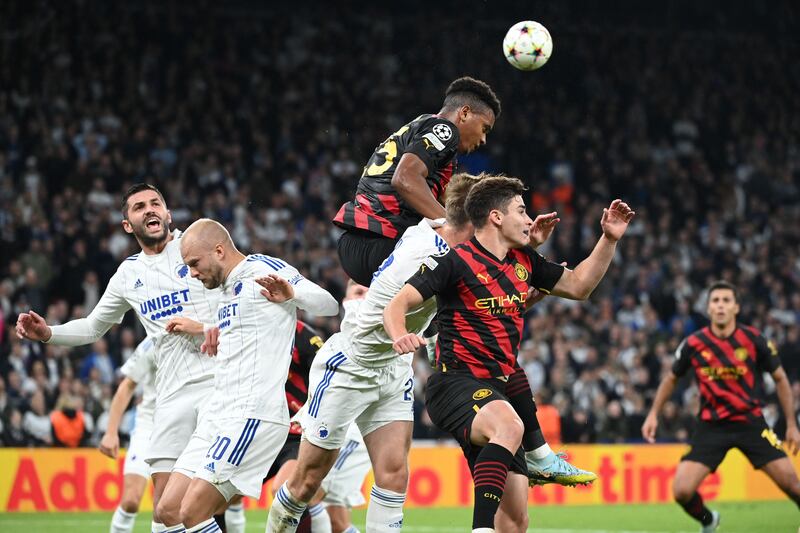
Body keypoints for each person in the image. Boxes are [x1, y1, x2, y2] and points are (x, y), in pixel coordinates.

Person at [384, 176, 634, 533]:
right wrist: (400, 335)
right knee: (510, 424)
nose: (529, 219)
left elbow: (579, 286)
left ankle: (532, 468)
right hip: (453, 384)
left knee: (516, 521)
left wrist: (609, 239)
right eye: (521, 210)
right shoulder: (456, 261)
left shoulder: (524, 262)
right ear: (496, 217)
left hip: (498, 390)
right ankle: (481, 527)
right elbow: (398, 303)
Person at [16, 183, 217, 531]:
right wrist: (49, 333)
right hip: (170, 398)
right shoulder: (128, 275)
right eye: (139, 207)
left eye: (156, 203)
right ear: (128, 225)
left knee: (198, 507)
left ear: (168, 214)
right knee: (166, 515)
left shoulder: (196, 244)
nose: (150, 210)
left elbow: (242, 296)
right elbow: (94, 327)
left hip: (218, 385)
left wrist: (203, 326)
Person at [164, 218, 338, 533]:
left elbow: (329, 305)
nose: (192, 272)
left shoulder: (262, 269)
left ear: (219, 251)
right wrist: (206, 330)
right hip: (217, 412)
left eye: (194, 263)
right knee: (168, 510)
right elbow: (245, 331)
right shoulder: (223, 289)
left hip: (251, 414)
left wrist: (293, 294)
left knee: (193, 512)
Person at [642, 280, 800, 532]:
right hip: (711, 427)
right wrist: (653, 414)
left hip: (751, 423)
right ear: (708, 308)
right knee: (681, 491)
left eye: (726, 300)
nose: (721, 306)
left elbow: (780, 378)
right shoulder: (694, 343)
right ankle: (709, 520)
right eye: (715, 301)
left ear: (736, 307)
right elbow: (671, 378)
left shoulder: (754, 339)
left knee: (794, 486)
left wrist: (791, 424)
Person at [333, 76, 501, 286]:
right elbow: (404, 179)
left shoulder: (422, 128)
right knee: (470, 270)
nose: (484, 140)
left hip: (359, 245)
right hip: (383, 242)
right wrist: (454, 228)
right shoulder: (445, 130)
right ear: (464, 113)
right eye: (484, 128)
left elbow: (437, 200)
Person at [99, 337, 157, 533]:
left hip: (186, 430)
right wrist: (110, 431)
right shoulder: (153, 341)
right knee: (131, 500)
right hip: (148, 426)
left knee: (170, 508)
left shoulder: (204, 332)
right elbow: (127, 386)